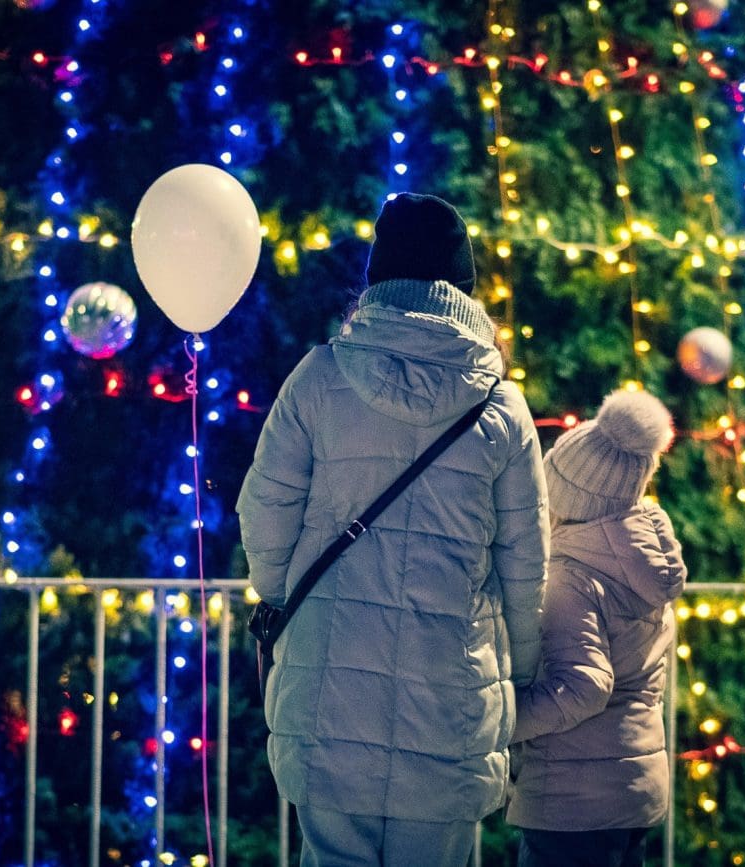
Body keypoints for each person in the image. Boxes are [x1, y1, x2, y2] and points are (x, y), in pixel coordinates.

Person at [237, 192, 549, 866]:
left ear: (378, 278)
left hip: (329, 689)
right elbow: (526, 562)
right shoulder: (501, 405)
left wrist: (278, 592)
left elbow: (263, 510)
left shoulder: (318, 377)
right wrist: (520, 674)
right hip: (451, 698)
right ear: (463, 288)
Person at [505, 389, 687, 867]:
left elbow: (584, 685)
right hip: (633, 789)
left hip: (575, 799)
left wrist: (501, 720)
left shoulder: (574, 575)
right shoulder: (641, 560)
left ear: (565, 493)